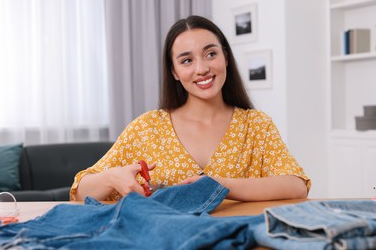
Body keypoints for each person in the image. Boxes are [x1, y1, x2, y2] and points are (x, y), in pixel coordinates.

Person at [70, 15, 311, 202]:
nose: (202, 68)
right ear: (174, 72)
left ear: (225, 58)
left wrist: (219, 186)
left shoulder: (256, 125)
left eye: (210, 54)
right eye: (187, 60)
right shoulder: (147, 127)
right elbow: (81, 192)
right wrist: (113, 177)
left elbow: (296, 185)